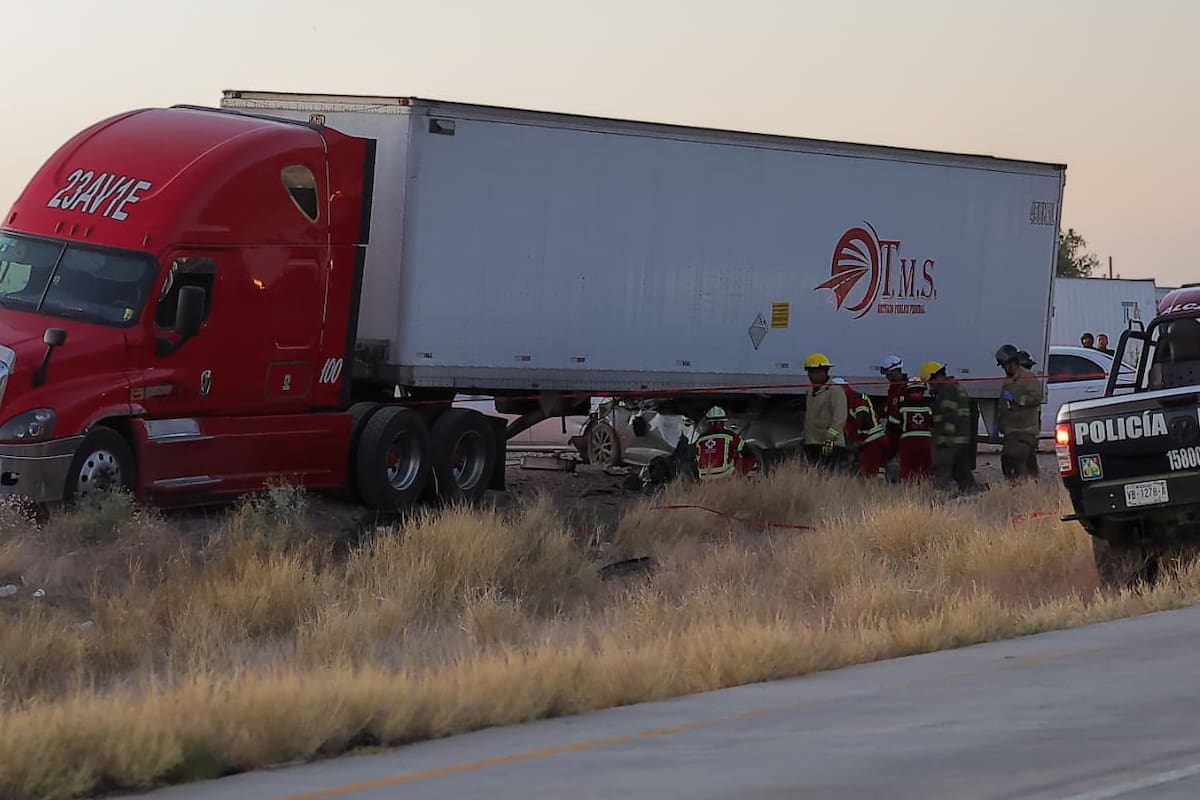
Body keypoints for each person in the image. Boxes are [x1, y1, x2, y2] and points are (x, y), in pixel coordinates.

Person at [921, 360, 979, 494]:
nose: (930, 386)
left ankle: (938, 500)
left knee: (942, 470)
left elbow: (949, 415)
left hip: (950, 440)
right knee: (962, 473)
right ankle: (973, 495)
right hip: (961, 439)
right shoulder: (955, 387)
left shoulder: (947, 389)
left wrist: (944, 438)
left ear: (936, 377)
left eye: (930, 382)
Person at [995, 343, 1043, 481]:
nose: (1004, 368)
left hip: (1026, 429)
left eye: (1005, 365)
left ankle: (1023, 488)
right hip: (1011, 430)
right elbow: (1003, 405)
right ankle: (1029, 487)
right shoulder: (1007, 381)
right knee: (1013, 460)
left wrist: (1016, 399)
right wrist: (999, 423)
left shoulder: (1028, 377)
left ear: (1013, 363)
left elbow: (1036, 398)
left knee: (1016, 457)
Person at [834, 377, 887, 479]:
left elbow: (864, 420)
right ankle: (879, 492)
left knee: (869, 473)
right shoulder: (848, 399)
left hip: (871, 440)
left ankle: (875, 492)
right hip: (873, 440)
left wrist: (860, 438)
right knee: (877, 472)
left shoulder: (855, 399)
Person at [802, 353, 847, 469]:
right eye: (809, 372)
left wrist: (829, 438)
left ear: (823, 372)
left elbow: (840, 417)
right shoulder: (810, 391)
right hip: (812, 442)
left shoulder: (835, 390)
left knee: (829, 475)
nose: (810, 376)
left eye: (813, 372)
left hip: (831, 445)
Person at [694, 406, 756, 481]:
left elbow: (697, 458)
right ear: (723, 421)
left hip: (704, 477)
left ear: (708, 422)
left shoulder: (700, 439)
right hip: (725, 475)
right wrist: (743, 471)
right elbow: (747, 452)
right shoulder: (729, 436)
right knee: (739, 456)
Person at [889, 379, 933, 481]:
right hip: (926, 441)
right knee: (925, 468)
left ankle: (909, 491)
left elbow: (892, 424)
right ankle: (924, 488)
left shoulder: (902, 406)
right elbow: (934, 423)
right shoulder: (928, 406)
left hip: (908, 441)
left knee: (908, 468)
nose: (916, 394)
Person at [877, 354, 908, 468]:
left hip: (901, 433)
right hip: (892, 432)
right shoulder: (893, 387)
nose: (887, 377)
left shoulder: (906, 388)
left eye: (889, 374)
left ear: (896, 370)